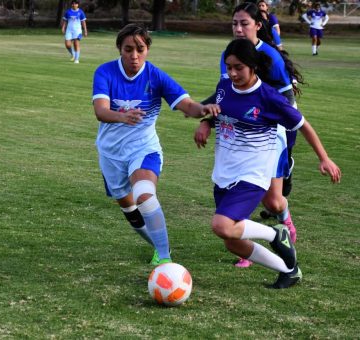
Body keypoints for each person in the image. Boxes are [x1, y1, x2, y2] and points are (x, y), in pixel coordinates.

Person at [202, 38, 341, 289]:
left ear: (253, 66)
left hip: (252, 175)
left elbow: (303, 125)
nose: (232, 73)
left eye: (239, 67)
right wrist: (204, 124)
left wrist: (324, 158)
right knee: (232, 241)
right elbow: (217, 108)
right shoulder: (224, 86)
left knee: (221, 225)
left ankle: (275, 233)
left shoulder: (268, 97)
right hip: (224, 173)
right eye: (229, 66)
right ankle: (289, 270)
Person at [92, 23, 219, 266]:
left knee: (144, 194)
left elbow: (188, 105)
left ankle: (165, 258)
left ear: (148, 49)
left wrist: (203, 109)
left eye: (140, 48)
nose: (134, 56)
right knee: (129, 209)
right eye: (128, 49)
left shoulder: (156, 76)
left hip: (144, 148)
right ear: (120, 49)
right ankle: (159, 246)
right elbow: (101, 111)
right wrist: (122, 116)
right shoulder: (105, 72)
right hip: (111, 153)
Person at [195, 2, 303, 268]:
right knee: (240, 183)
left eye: (244, 23)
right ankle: (248, 250)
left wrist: (283, 145)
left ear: (257, 25)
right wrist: (205, 116)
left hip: (272, 132)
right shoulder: (229, 53)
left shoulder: (271, 57)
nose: (239, 28)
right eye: (234, 23)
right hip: (242, 133)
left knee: (274, 202)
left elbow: (288, 100)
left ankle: (284, 224)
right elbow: (227, 96)